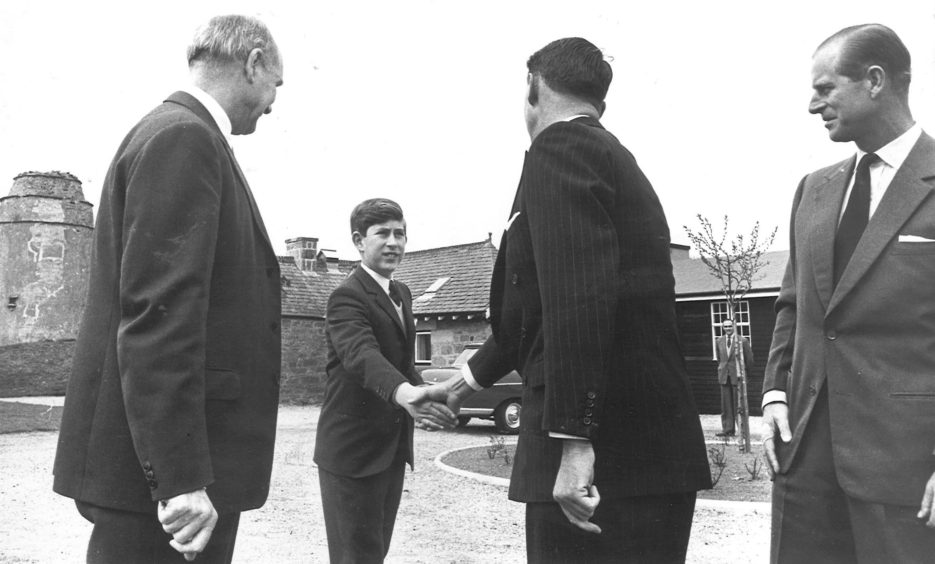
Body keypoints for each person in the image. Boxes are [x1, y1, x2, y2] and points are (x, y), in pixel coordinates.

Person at [436, 37, 711, 562]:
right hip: (646, 456)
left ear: (533, 90)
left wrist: (575, 442)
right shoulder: (609, 155)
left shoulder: (560, 149)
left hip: (604, 463)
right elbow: (533, 312)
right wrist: (462, 382)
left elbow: (579, 301)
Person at [52, 15, 284, 563]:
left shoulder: (174, 132)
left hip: (166, 482)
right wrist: (180, 479)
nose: (274, 102)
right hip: (169, 494)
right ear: (252, 64)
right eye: (276, 83)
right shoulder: (185, 138)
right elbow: (158, 317)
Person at [763, 23, 935, 563]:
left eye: (825, 88)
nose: (813, 105)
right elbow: (794, 303)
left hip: (904, 468)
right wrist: (772, 394)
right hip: (803, 468)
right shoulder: (813, 189)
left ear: (875, 81)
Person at [313, 198, 456, 563]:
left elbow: (402, 363)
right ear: (359, 241)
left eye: (401, 234)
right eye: (383, 234)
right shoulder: (346, 295)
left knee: (373, 553)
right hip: (352, 452)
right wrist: (407, 394)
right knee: (355, 557)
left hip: (389, 449)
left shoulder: (402, 293)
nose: (394, 242)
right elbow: (361, 356)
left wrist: (428, 395)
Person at [714, 320, 754, 437]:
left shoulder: (742, 340)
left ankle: (743, 431)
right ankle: (727, 430)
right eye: (725, 326)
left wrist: (746, 375)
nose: (728, 328)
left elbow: (749, 360)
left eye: (730, 326)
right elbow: (719, 359)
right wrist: (723, 370)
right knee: (726, 405)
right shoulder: (719, 341)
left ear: (734, 326)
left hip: (738, 376)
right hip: (724, 376)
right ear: (723, 328)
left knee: (739, 405)